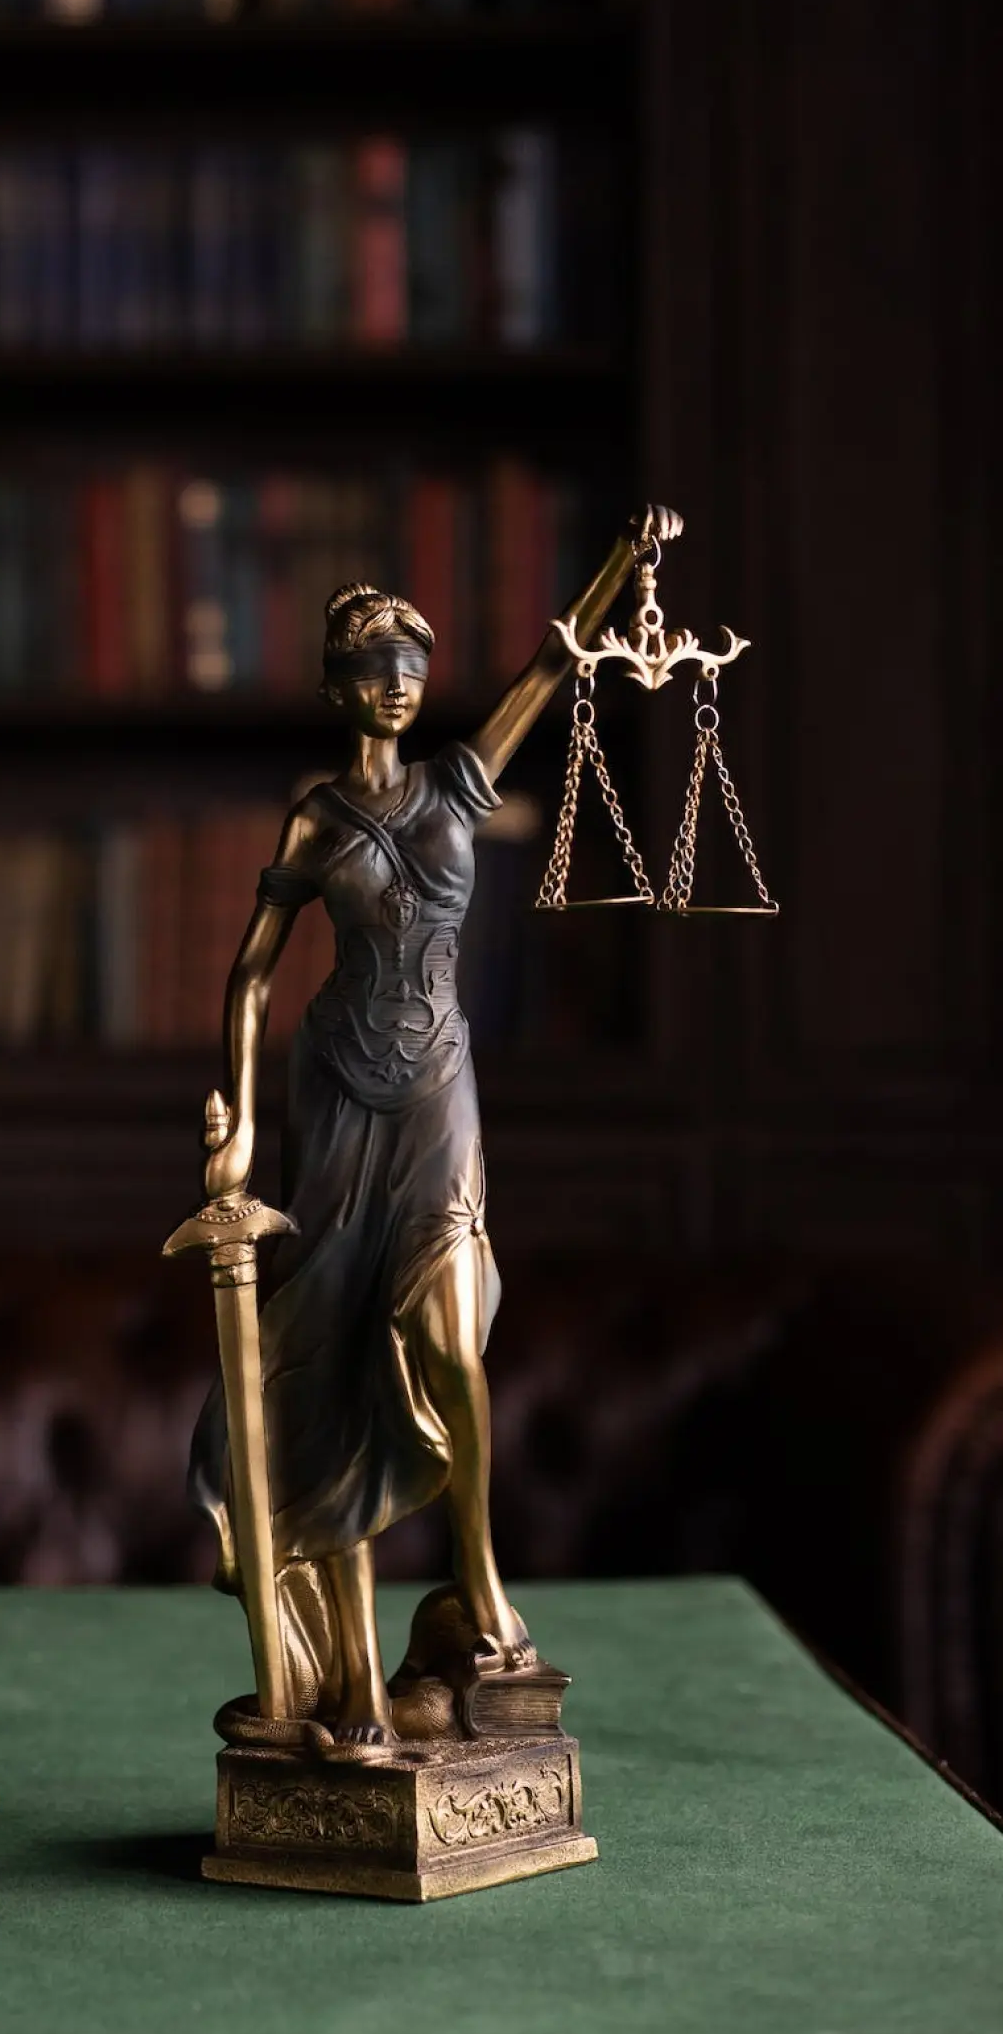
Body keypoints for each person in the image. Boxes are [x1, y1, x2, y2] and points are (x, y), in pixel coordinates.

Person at [188, 504, 684, 1746]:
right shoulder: (314, 820)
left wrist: (632, 559)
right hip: (335, 1095)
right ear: (335, 688)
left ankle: (481, 1579)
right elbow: (253, 972)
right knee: (341, 1360)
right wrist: (237, 1123)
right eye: (373, 676)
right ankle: (347, 1670)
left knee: (452, 1340)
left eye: (411, 675)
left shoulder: (462, 779)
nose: (397, 693)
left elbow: (557, 657)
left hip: (438, 1093)